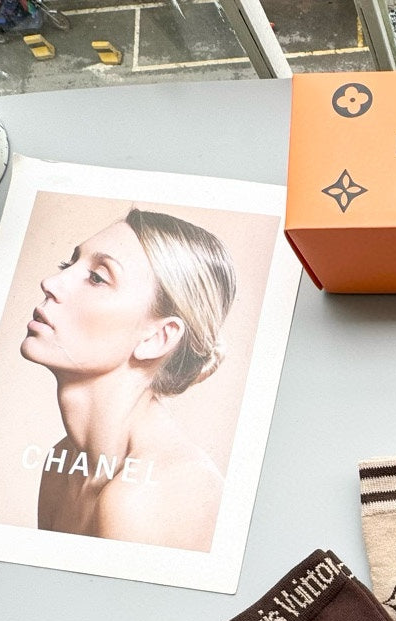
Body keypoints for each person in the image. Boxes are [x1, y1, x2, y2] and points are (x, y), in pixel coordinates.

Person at [20, 207, 237, 552]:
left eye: (97, 278)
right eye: (67, 264)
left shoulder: (144, 500)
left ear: (158, 338)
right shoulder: (62, 465)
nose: (50, 283)